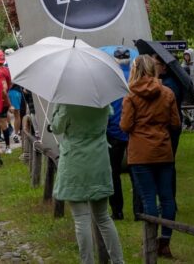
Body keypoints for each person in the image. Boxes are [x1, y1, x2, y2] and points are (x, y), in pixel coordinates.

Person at [49, 100, 125, 264]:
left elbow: (57, 127)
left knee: (81, 218)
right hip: (99, 160)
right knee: (103, 217)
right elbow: (108, 119)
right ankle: (118, 261)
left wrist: (56, 108)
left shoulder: (67, 102)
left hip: (75, 161)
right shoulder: (100, 100)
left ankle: (87, 261)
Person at [121, 54, 181, 259]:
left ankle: (150, 244)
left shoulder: (130, 96)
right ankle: (165, 242)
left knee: (148, 199)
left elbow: (126, 126)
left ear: (136, 70)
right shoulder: (167, 93)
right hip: (163, 151)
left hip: (140, 153)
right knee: (167, 198)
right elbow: (175, 123)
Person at [107, 48, 131, 220]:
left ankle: (117, 210)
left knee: (113, 172)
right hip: (133, 131)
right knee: (136, 170)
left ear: (115, 59)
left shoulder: (110, 78)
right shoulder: (136, 76)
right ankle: (140, 210)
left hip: (114, 130)